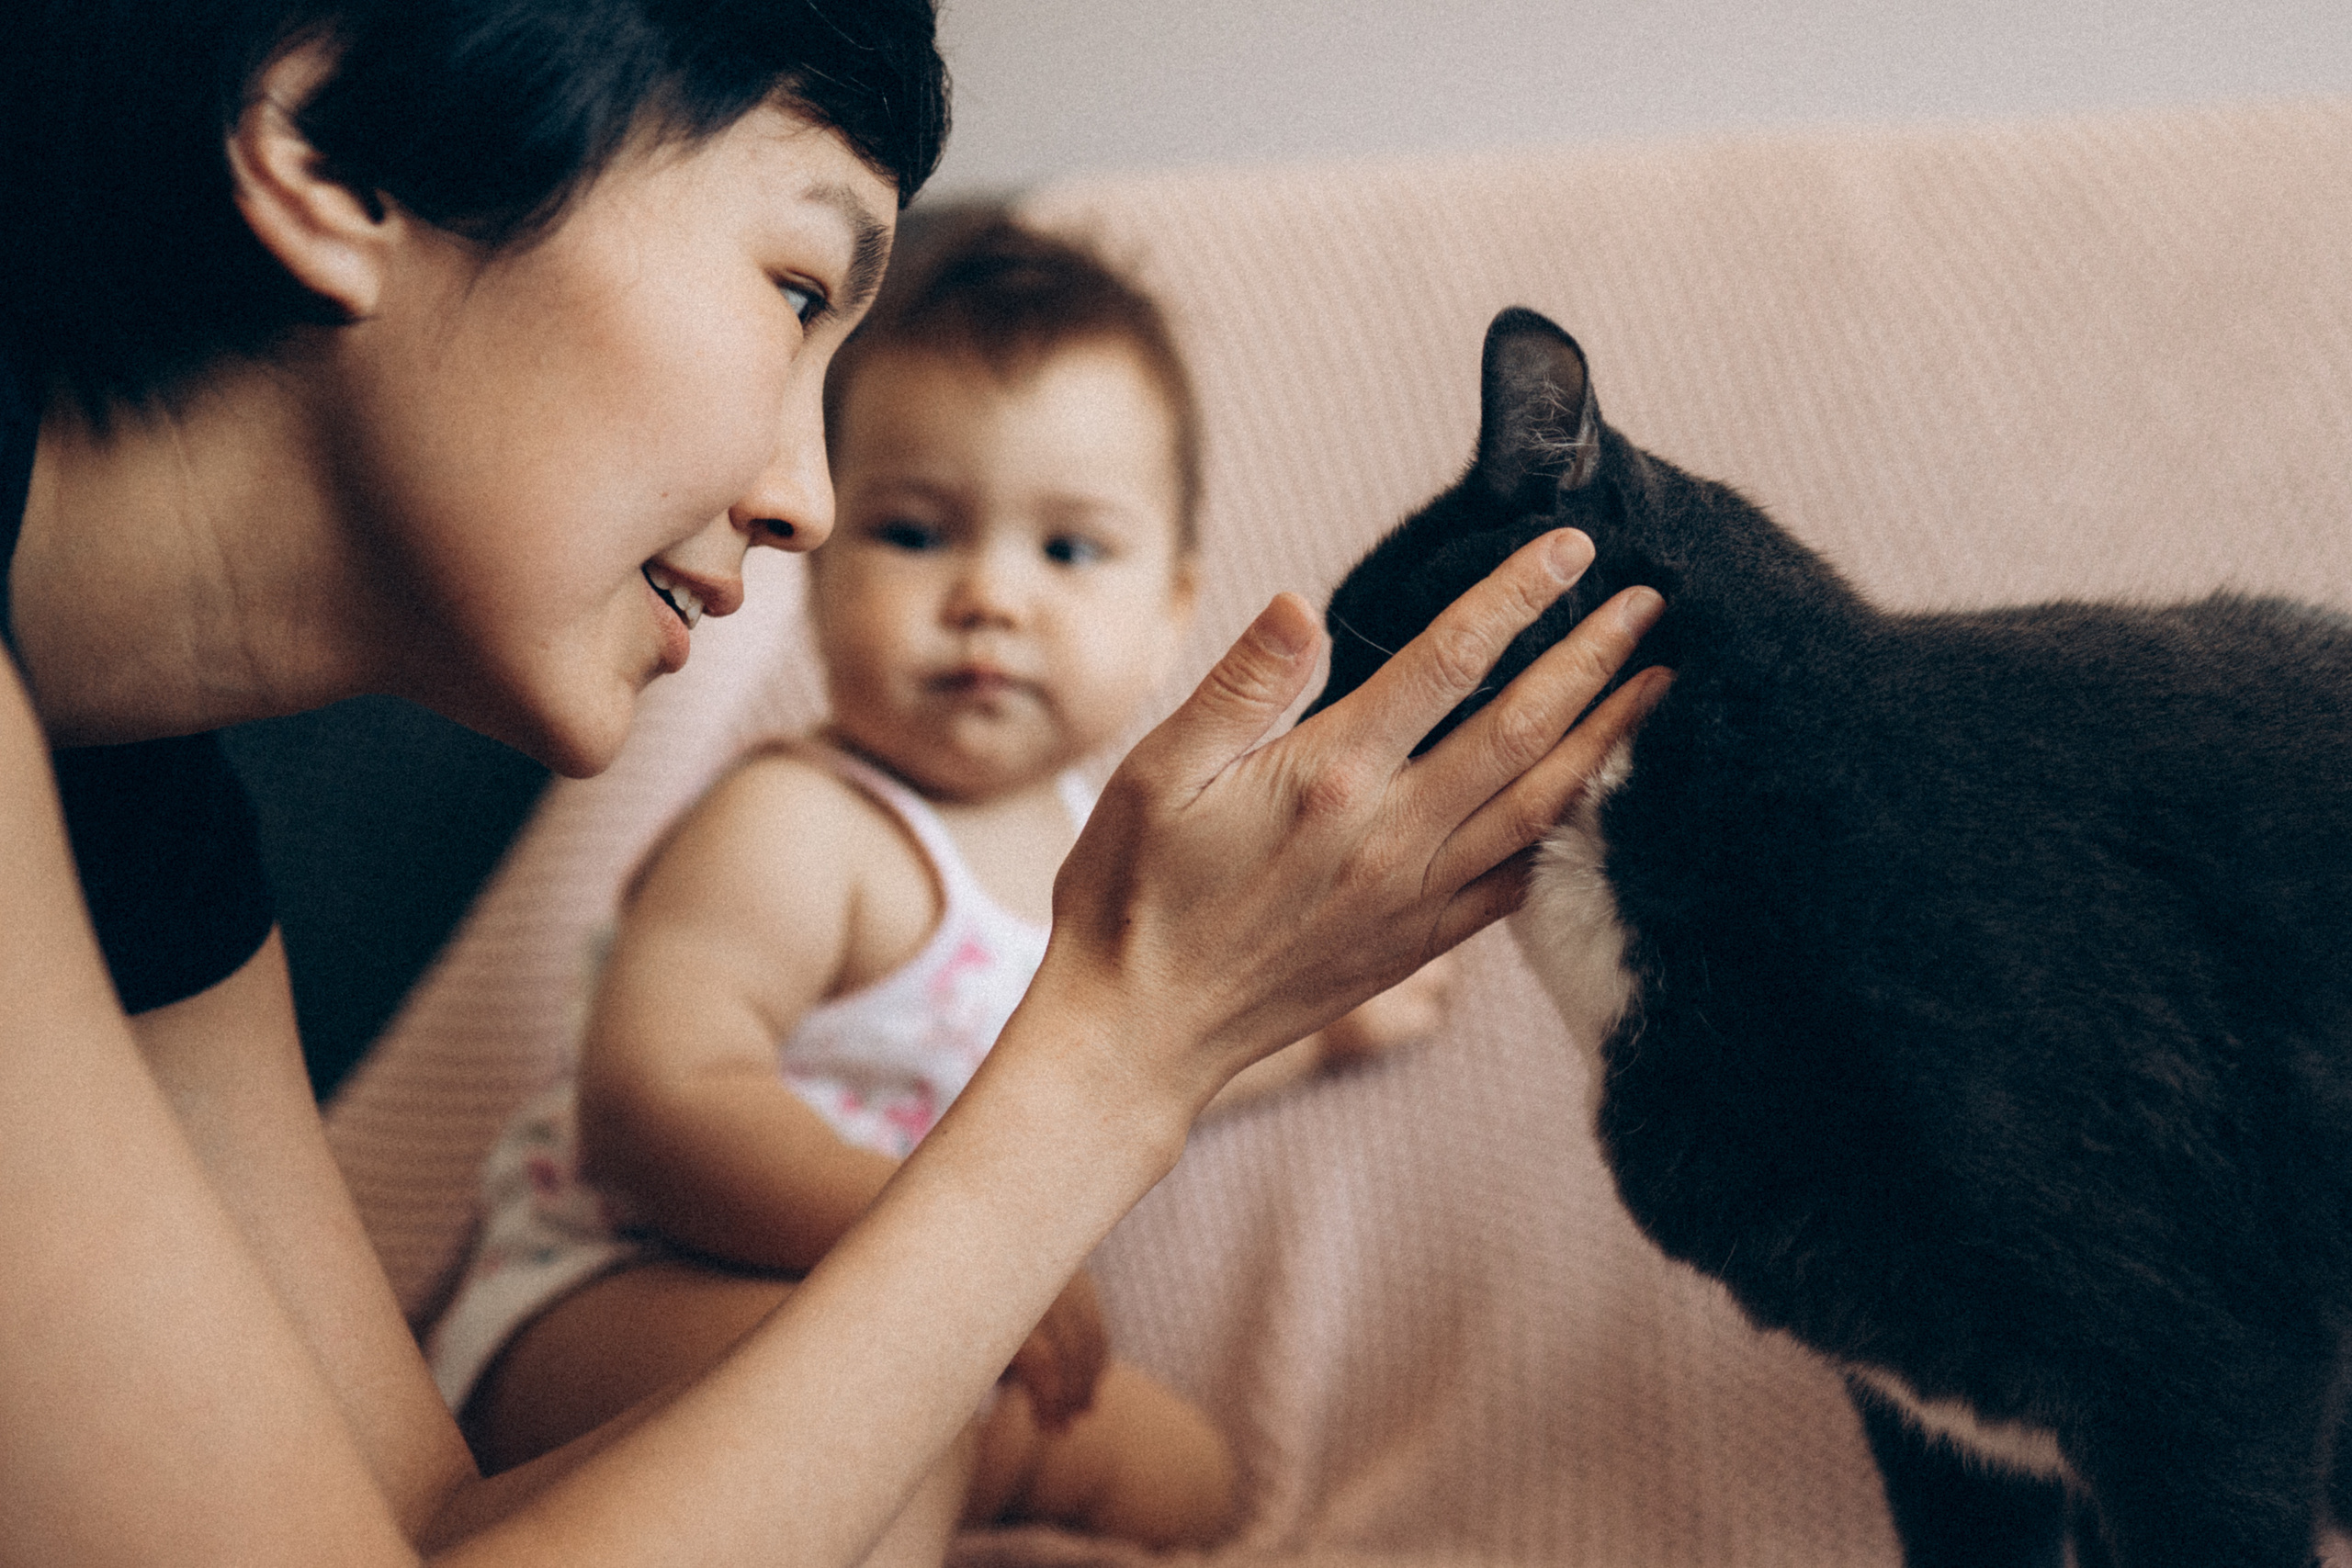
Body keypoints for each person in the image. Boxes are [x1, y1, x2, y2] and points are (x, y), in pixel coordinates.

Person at [0, 3, 1671, 1563]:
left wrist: (1195, 1027)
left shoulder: (133, 813)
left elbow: (415, 1526)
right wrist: (1123, 1049)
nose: (807, 497)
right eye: (800, 290)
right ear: (328, 152)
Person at [427, 219, 1456, 1552]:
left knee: (1180, 1478)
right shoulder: (799, 821)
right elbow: (653, 1104)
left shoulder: (1102, 847)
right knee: (897, 1440)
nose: (989, 597)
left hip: (923, 1324)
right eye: (917, 532)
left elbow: (1132, 1038)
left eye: (1069, 552)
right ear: (821, 566)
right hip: (611, 1299)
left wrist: (1321, 1032)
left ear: (1168, 610)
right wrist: (952, 1253)